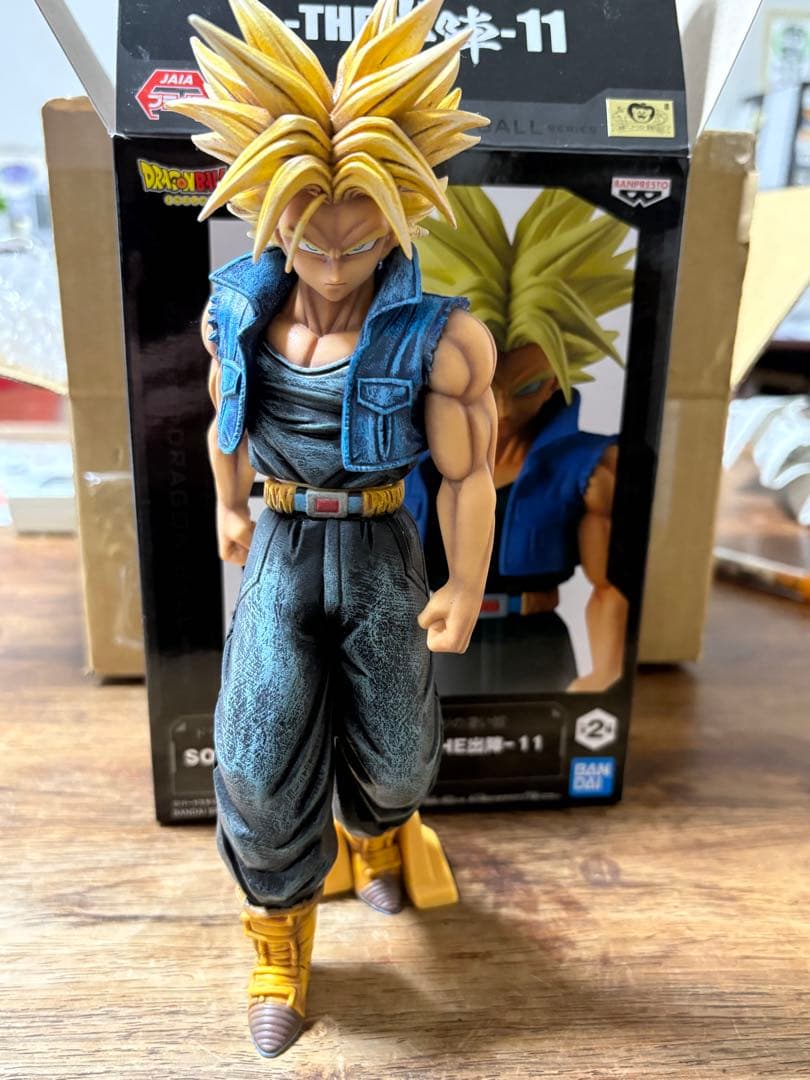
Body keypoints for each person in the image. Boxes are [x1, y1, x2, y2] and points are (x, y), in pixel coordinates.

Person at [169, 0, 496, 1058]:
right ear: (270, 214)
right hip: (280, 545)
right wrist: (228, 504)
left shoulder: (442, 338)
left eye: (361, 238)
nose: (336, 260)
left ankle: (382, 835)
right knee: (257, 750)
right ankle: (279, 938)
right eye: (312, 236)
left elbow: (469, 472)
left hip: (380, 546)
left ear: (399, 216)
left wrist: (463, 583)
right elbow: (223, 415)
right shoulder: (238, 313)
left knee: (398, 758)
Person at [407, 186, 634, 693]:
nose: (504, 408)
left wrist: (605, 675)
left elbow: (609, 586)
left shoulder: (590, 468)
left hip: (533, 644)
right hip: (427, 642)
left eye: (527, 386)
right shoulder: (401, 460)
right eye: (483, 385)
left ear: (556, 379)